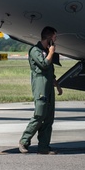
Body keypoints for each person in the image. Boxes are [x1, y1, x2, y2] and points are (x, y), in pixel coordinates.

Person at [18, 26, 63, 154]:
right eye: (54, 38)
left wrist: (57, 85)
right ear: (48, 38)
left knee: (49, 118)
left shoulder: (46, 50)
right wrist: (51, 52)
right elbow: (44, 64)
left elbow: (50, 71)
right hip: (40, 85)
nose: (55, 41)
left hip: (49, 85)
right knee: (40, 114)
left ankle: (43, 146)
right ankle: (24, 141)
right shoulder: (35, 50)